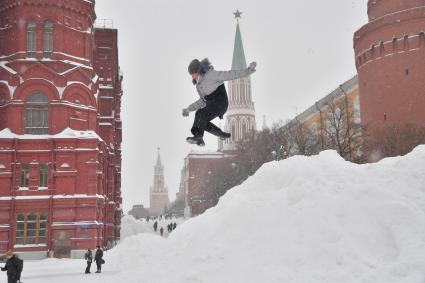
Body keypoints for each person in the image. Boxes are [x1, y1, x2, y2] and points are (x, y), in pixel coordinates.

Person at [183, 58, 257, 146]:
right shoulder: (199, 86)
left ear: (198, 71)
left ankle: (199, 136)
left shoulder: (211, 74)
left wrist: (248, 71)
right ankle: (216, 134)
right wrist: (188, 109)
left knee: (202, 113)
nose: (193, 76)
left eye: (193, 74)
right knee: (201, 117)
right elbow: (202, 101)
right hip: (211, 104)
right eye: (191, 75)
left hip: (220, 102)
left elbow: (229, 75)